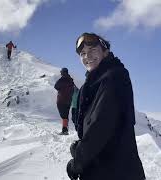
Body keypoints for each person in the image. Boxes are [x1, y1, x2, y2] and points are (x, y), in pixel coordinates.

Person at [66, 32, 145, 180]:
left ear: (105, 51)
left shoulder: (114, 77)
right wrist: (80, 147)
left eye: (93, 50)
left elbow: (101, 126)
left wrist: (78, 162)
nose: (87, 56)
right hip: (102, 167)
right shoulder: (91, 84)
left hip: (116, 171)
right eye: (83, 53)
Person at [54, 67, 74, 135]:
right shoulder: (71, 81)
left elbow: (56, 86)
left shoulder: (62, 79)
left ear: (62, 72)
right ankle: (65, 130)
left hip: (61, 100)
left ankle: (65, 130)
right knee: (65, 116)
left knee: (63, 116)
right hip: (68, 101)